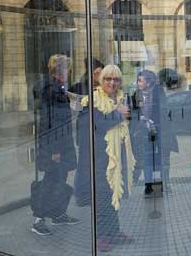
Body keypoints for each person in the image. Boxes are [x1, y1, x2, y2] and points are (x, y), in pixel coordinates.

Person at [76, 64, 134, 252]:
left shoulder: (120, 98)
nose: (112, 83)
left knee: (113, 195)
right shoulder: (91, 101)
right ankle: (101, 236)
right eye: (108, 79)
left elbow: (125, 124)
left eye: (116, 79)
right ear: (102, 81)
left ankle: (114, 232)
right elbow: (97, 125)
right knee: (101, 198)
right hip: (98, 158)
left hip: (116, 157)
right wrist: (119, 114)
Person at [30, 55, 80, 236]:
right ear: (59, 71)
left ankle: (58, 213)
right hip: (56, 147)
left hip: (62, 144)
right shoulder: (51, 90)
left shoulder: (59, 89)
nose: (69, 73)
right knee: (50, 182)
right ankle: (39, 219)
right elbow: (49, 122)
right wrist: (54, 150)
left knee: (60, 180)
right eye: (67, 69)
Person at [131, 69, 178, 196]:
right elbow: (133, 114)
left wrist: (152, 120)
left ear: (148, 82)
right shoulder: (136, 95)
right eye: (138, 81)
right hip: (145, 132)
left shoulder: (158, 93)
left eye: (141, 81)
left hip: (160, 131)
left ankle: (164, 184)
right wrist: (140, 121)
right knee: (147, 159)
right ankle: (148, 185)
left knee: (163, 159)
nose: (138, 83)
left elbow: (164, 111)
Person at [72, 58, 105, 207]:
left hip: (99, 132)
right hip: (86, 132)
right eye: (96, 73)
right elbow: (75, 106)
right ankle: (82, 195)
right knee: (84, 164)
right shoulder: (81, 87)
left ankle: (93, 192)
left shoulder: (103, 87)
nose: (98, 76)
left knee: (97, 164)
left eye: (100, 72)